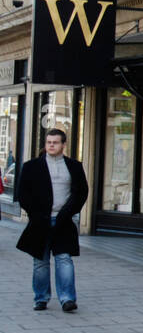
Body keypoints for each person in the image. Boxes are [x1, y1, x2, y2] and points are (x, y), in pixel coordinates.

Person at [15, 129, 89, 312]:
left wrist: (68, 213)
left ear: (63, 145)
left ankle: (67, 299)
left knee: (64, 258)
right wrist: (36, 215)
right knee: (40, 261)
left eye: (55, 142)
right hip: (40, 221)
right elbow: (23, 194)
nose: (51, 145)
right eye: (48, 142)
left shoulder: (74, 166)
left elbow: (81, 193)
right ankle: (41, 298)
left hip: (63, 221)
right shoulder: (31, 166)